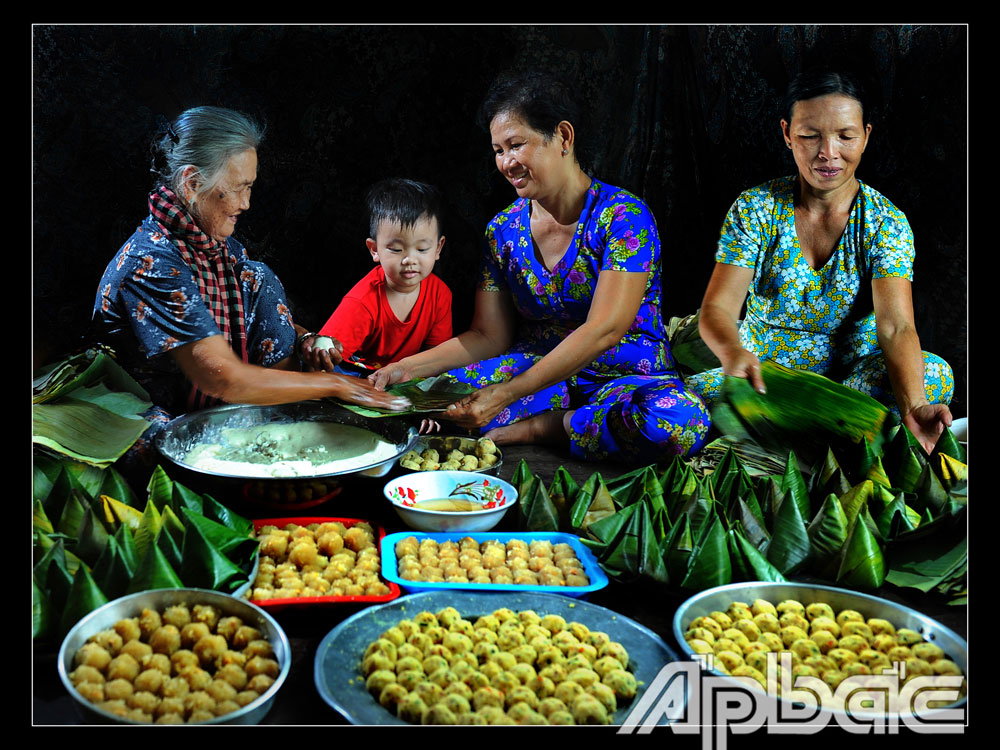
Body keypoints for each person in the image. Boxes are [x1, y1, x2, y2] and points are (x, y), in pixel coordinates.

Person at [370, 71, 711, 464]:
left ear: (563, 137)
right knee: (436, 405)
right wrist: (406, 369)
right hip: (535, 373)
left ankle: (546, 427)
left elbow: (604, 329)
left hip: (623, 375)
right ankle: (568, 421)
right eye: (498, 150)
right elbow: (487, 335)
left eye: (516, 145)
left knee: (677, 422)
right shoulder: (502, 231)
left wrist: (505, 394)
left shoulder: (624, 217)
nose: (506, 163)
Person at [92, 106, 410, 468]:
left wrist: (306, 340)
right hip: (161, 411)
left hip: (222, 403)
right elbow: (222, 379)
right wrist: (338, 385)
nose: (246, 203)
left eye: (250, 187)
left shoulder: (215, 245)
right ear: (192, 183)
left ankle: (284, 412)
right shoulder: (152, 264)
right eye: (240, 188)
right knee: (166, 452)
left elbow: (248, 314)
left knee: (257, 276)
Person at [685, 69, 954, 453]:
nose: (828, 152)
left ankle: (795, 432)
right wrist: (732, 354)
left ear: (866, 137)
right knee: (666, 412)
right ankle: (828, 437)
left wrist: (914, 406)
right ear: (786, 134)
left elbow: (895, 327)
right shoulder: (755, 208)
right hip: (763, 381)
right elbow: (717, 309)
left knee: (934, 374)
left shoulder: (884, 221)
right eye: (810, 136)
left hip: (849, 385)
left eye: (845, 136)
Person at [301, 178, 452, 374]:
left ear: (438, 248)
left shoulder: (439, 295)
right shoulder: (363, 301)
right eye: (396, 249)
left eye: (422, 249)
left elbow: (437, 357)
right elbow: (322, 361)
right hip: (355, 374)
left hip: (405, 375)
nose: (409, 259)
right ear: (374, 250)